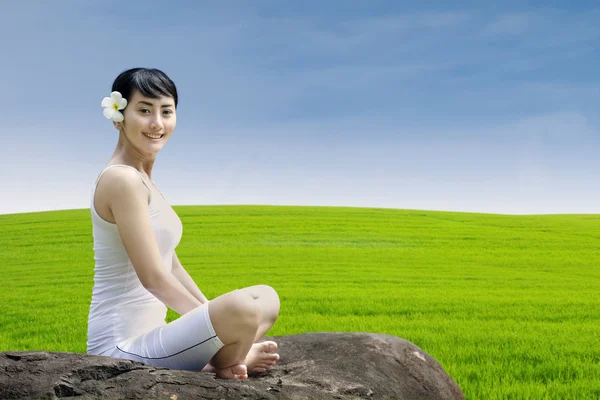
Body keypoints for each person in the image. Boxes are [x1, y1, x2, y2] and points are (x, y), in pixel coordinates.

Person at [86, 67, 280, 380]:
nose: (156, 123)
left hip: (158, 336)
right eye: (144, 110)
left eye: (166, 111)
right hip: (120, 347)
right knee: (242, 309)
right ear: (118, 116)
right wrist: (217, 322)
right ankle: (228, 356)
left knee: (266, 298)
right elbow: (153, 278)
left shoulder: (144, 181)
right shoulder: (121, 180)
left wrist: (212, 316)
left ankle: (225, 353)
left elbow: (171, 265)